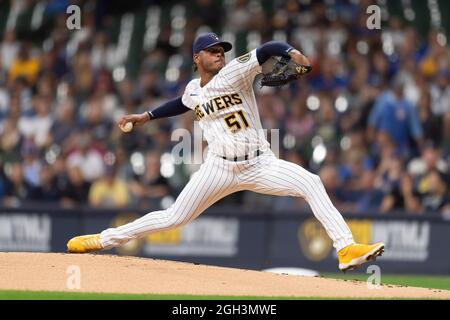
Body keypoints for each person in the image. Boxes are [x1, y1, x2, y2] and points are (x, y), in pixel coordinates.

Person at [67, 33, 384, 271]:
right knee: (173, 217)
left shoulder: (235, 73)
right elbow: (183, 102)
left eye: (221, 50)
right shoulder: (194, 88)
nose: (219, 54)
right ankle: (103, 240)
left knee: (311, 182)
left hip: (259, 163)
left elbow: (269, 47)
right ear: (196, 58)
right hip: (218, 168)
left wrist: (292, 52)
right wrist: (146, 116)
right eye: (212, 50)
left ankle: (345, 249)